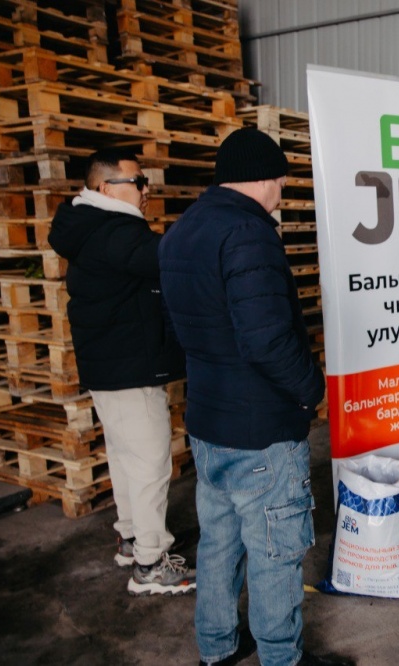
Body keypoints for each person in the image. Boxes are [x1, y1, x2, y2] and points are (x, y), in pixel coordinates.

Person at [159, 128, 348, 666]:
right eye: (281, 182)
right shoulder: (248, 233)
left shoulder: (180, 232)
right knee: (275, 550)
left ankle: (217, 649)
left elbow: (180, 330)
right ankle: (281, 658)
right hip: (260, 427)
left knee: (219, 542)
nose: (282, 193)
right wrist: (311, 391)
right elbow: (266, 339)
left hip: (207, 422)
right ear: (264, 178)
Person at [47, 149, 194, 597]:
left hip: (106, 367)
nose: (146, 189)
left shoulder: (88, 227)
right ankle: (151, 563)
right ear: (106, 188)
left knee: (126, 457)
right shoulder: (118, 232)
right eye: (138, 181)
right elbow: (172, 258)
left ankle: (132, 539)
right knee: (150, 463)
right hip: (131, 368)